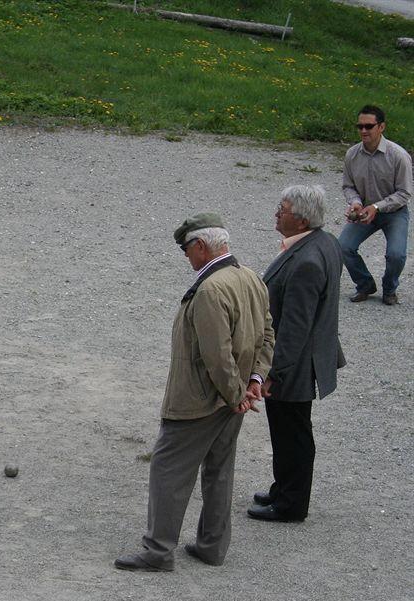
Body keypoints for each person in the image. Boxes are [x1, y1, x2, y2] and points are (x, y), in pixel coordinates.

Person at [115, 214, 274, 572]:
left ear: (201, 246)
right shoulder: (250, 277)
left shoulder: (210, 290)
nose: (186, 256)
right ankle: (212, 546)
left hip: (200, 401)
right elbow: (267, 334)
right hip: (232, 398)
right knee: (219, 470)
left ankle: (157, 551)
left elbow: (216, 355)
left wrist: (237, 395)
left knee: (168, 469)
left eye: (187, 249)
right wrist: (254, 382)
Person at [248, 185, 345, 523]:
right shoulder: (325, 242)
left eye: (283, 208)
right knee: (289, 431)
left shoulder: (305, 262)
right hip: (304, 359)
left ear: (302, 220)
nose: (277, 212)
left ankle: (290, 504)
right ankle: (283, 489)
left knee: (293, 434)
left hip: (295, 365)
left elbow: (294, 327)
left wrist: (274, 373)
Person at [340, 105, 412, 306]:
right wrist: (355, 202)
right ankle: (364, 285)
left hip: (394, 213)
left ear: (381, 127)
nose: (363, 130)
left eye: (369, 126)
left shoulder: (398, 156)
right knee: (343, 246)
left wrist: (377, 207)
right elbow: (348, 186)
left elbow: (405, 193)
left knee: (396, 254)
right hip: (364, 211)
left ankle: (389, 289)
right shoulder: (352, 155)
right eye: (360, 126)